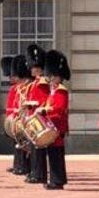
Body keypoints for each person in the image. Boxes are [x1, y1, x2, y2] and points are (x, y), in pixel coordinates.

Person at [40, 50, 71, 189]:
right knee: (52, 154)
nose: (51, 78)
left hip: (57, 126)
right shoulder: (54, 91)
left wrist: (45, 110)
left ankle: (57, 181)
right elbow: (48, 105)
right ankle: (56, 179)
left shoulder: (61, 90)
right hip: (52, 125)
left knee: (56, 154)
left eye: (53, 76)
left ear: (59, 77)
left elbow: (59, 107)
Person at [20, 44, 50, 184]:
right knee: (33, 147)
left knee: (38, 148)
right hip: (32, 118)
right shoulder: (34, 83)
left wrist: (31, 105)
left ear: (39, 68)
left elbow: (44, 101)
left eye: (34, 67)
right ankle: (34, 172)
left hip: (39, 118)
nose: (31, 69)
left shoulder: (43, 83)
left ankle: (40, 174)